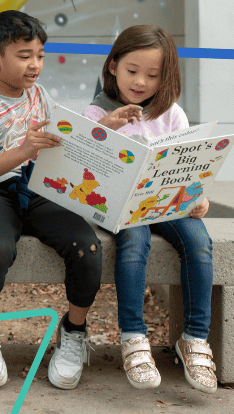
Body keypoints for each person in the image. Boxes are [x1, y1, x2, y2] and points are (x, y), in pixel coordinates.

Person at [0, 10, 102, 391]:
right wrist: (22, 150)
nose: (35, 65)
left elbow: (62, 141)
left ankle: (74, 331)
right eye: (24, 56)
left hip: (37, 187)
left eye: (40, 55)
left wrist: (106, 129)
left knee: (87, 245)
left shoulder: (40, 95)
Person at [83, 24, 216, 394]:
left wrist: (197, 196)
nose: (140, 82)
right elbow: (83, 160)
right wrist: (107, 126)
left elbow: (189, 165)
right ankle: (133, 337)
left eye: (153, 75)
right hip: (122, 207)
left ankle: (195, 339)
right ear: (113, 66)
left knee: (199, 244)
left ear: (166, 76)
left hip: (168, 204)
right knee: (134, 244)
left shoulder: (171, 114)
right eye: (132, 71)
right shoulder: (97, 111)